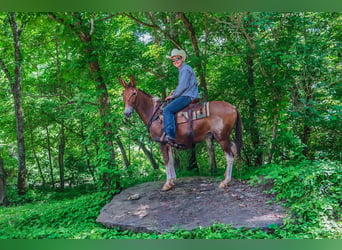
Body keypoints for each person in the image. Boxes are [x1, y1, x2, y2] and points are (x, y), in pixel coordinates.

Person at [163, 48, 200, 146]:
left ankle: (170, 135)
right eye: (173, 60)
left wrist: (173, 96)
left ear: (182, 59)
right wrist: (174, 93)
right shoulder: (184, 69)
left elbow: (183, 86)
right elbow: (185, 85)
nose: (175, 61)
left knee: (167, 110)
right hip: (189, 94)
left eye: (177, 58)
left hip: (188, 96)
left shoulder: (185, 69)